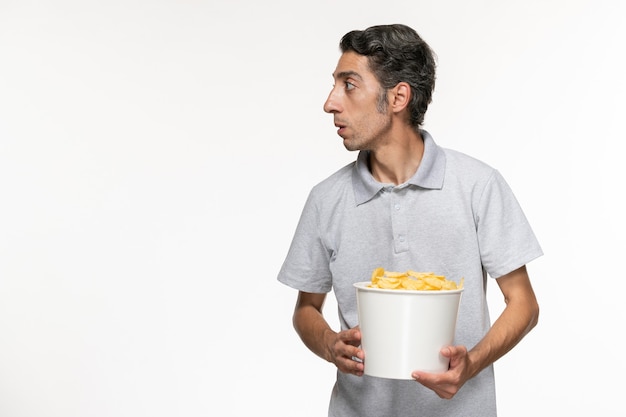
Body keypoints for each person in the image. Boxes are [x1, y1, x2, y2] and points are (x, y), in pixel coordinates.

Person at [277, 23, 542, 417]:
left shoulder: (477, 185)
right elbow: (306, 310)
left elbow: (523, 304)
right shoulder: (325, 199)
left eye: (349, 85)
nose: (330, 103)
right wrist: (331, 344)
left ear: (399, 96)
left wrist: (470, 364)